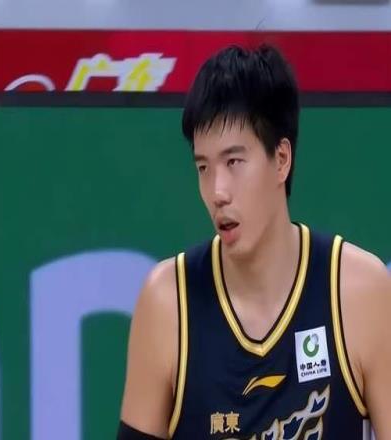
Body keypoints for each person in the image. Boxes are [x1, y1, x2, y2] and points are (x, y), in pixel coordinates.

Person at [117, 44, 391, 439]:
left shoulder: (359, 292)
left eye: (233, 162)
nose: (217, 192)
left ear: (281, 159)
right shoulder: (168, 302)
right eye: (203, 167)